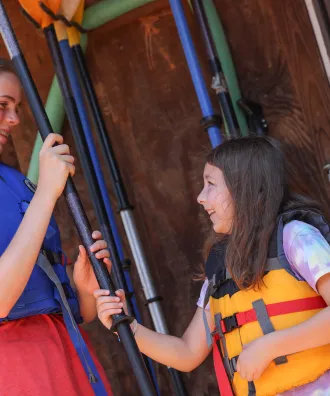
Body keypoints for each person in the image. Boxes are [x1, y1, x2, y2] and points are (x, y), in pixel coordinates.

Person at [94, 136, 330, 395]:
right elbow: (187, 353)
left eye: (210, 184)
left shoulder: (295, 237)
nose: (200, 197)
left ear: (245, 188)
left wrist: (271, 346)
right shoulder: (220, 270)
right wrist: (126, 327)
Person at [0, 58, 113, 396]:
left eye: (17, 107)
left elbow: (78, 313)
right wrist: (48, 193)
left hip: (68, 355)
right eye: (3, 105)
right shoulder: (38, 189)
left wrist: (84, 290)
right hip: (14, 369)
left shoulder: (16, 183)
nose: (15, 119)